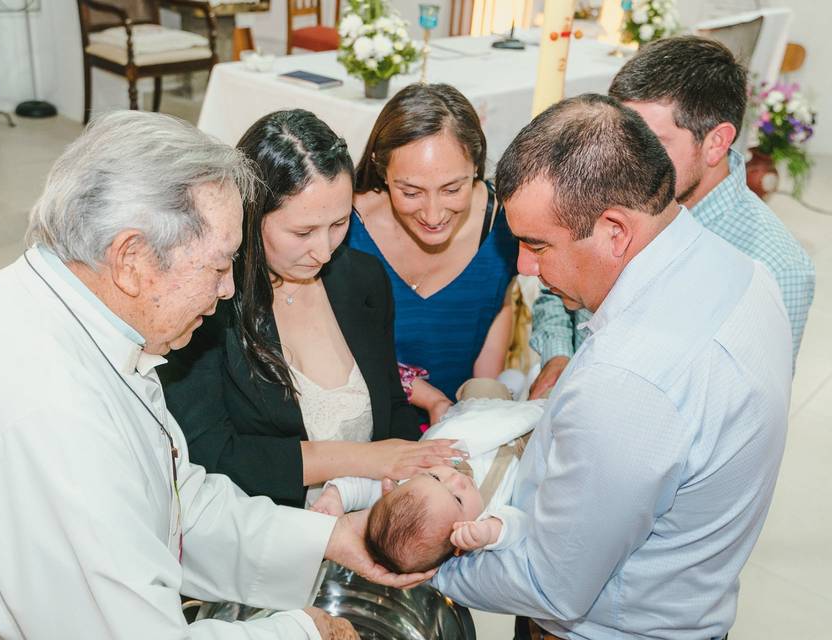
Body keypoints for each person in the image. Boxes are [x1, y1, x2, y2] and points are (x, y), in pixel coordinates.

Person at [0, 111, 431, 640]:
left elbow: (170, 498)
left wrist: (328, 537)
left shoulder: (83, 316)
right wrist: (300, 631)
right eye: (219, 267)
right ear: (132, 259)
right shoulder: (52, 417)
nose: (226, 292)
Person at [433, 94, 793, 640]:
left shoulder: (628, 380)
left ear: (615, 231)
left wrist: (424, 561)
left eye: (536, 245)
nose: (526, 269)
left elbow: (552, 585)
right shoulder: (745, 270)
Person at [160, 109, 460, 509]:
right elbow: (211, 453)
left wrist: (403, 480)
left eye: (338, 224)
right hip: (264, 527)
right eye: (302, 232)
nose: (323, 251)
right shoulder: (210, 305)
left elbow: (392, 404)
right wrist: (367, 459)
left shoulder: (363, 279)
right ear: (250, 215)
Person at [528, 35, 815, 400]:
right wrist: (558, 356)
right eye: (622, 138)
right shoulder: (617, 190)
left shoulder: (775, 266)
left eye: (651, 143)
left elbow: (748, 407)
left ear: (716, 142)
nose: (626, 162)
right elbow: (557, 284)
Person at [347, 83, 519, 423]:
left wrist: (481, 399)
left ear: (476, 166)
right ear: (381, 168)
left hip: (460, 415)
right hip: (368, 419)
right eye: (411, 192)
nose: (433, 214)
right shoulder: (345, 228)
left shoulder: (502, 222)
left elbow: (498, 302)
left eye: (453, 189)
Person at [311, 398, 546, 573]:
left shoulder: (419, 474)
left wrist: (336, 494)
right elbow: (522, 524)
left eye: (436, 479)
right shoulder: (479, 523)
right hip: (533, 452)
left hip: (497, 422)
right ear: (457, 545)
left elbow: (366, 485)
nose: (456, 480)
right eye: (458, 499)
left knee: (486, 389)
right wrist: (493, 532)